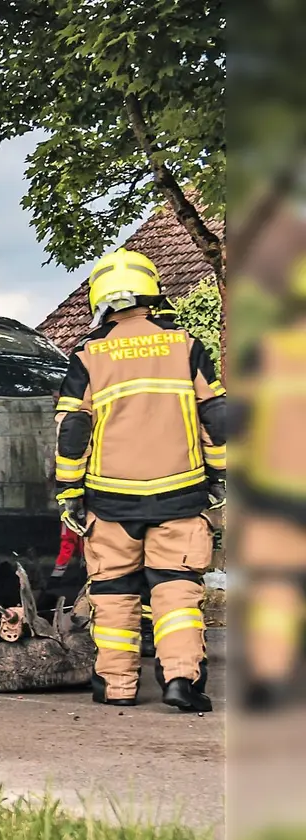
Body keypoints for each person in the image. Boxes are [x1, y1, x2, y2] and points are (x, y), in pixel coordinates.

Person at [54, 248, 226, 711]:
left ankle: (116, 687)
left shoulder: (88, 355)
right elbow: (216, 417)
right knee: (176, 593)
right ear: (152, 292)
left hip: (111, 502)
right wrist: (220, 475)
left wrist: (70, 492)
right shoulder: (185, 345)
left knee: (113, 595)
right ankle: (181, 682)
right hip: (180, 495)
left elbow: (72, 431)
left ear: (100, 299)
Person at [229, 260, 306, 709]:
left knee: (276, 590)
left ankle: (271, 679)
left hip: (276, 495)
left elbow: (237, 428)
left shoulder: (266, 352)